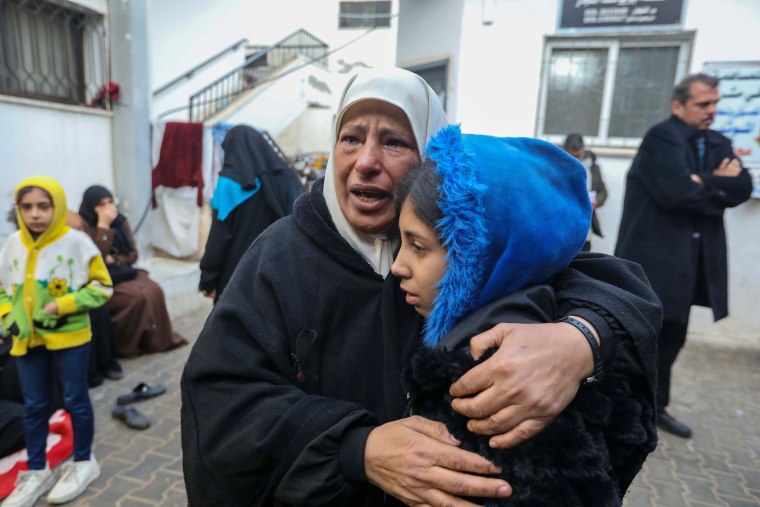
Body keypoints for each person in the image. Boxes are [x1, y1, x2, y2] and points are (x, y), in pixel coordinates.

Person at [181, 67, 661, 506]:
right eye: (350, 138)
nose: (365, 161)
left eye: (393, 142)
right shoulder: (278, 256)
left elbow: (615, 288)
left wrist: (582, 338)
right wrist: (356, 448)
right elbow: (223, 400)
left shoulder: (477, 241)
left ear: (430, 153)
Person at [395, 126, 657, 505]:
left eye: (418, 246)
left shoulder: (502, 386)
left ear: (486, 254)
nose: (398, 266)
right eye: (399, 242)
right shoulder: (524, 312)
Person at [615, 73, 753, 438]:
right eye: (703, 104)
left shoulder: (718, 141)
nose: (712, 110)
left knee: (674, 335)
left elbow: (742, 187)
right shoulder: (662, 137)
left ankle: (655, 408)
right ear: (678, 105)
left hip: (692, 259)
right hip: (655, 257)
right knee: (642, 336)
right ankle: (626, 411)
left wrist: (703, 181)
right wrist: (715, 182)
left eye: (715, 103)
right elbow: (675, 193)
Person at [0, 177, 111, 506]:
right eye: (27, 207)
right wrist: (8, 315)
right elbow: (2, 289)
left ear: (57, 207)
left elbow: (102, 287)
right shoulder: (12, 244)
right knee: (35, 405)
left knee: (75, 399)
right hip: (27, 341)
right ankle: (37, 469)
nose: (35, 214)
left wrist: (62, 305)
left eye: (43, 206)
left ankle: (82, 462)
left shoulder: (76, 242)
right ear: (19, 210)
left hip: (70, 338)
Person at [77, 185, 187, 357]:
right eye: (101, 205)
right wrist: (103, 227)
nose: (107, 208)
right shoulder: (84, 226)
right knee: (135, 297)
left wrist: (115, 259)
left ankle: (154, 340)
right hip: (102, 278)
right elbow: (96, 258)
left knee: (154, 290)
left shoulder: (121, 221)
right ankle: (127, 346)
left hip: (124, 272)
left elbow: (133, 254)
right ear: (91, 207)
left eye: (110, 202)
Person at [199, 125, 303, 302]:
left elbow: (218, 237)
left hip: (235, 278)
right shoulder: (286, 178)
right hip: (277, 274)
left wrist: (208, 279)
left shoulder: (229, 184)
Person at [562, 133, 607, 252]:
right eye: (572, 156)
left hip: (586, 227)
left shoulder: (593, 167)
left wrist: (596, 201)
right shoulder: (557, 164)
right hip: (563, 223)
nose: (576, 160)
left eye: (578, 156)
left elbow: (603, 190)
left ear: (583, 150)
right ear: (565, 150)